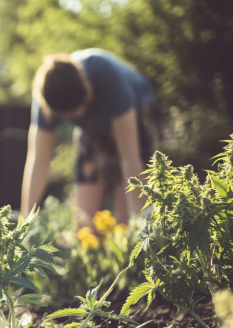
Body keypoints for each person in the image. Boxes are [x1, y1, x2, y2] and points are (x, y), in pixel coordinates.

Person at [21, 49, 165, 224]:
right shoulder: (46, 97)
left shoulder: (107, 76)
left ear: (85, 80)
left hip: (138, 121)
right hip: (92, 132)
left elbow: (130, 157)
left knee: (127, 219)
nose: (82, 113)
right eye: (73, 115)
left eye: (84, 105)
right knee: (84, 223)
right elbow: (38, 160)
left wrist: (142, 222)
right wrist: (26, 221)